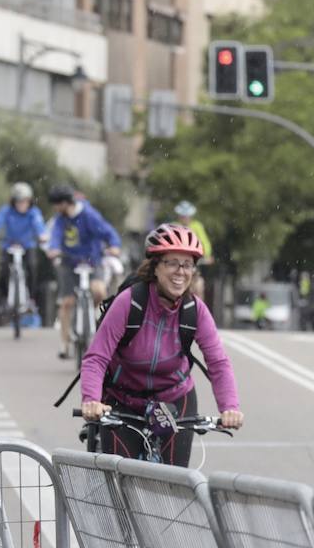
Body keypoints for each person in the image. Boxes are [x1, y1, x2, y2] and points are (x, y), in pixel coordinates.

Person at [80, 224, 243, 466]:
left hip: (174, 397)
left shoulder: (194, 310)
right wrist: (91, 400)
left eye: (187, 265)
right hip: (122, 397)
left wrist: (229, 407)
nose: (181, 271)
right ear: (155, 266)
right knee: (119, 478)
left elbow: (218, 362)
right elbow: (97, 357)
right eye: (172, 263)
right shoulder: (130, 302)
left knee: (174, 484)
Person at [46, 183, 121, 359]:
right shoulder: (60, 219)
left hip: (92, 262)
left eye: (57, 204)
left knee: (99, 291)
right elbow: (55, 235)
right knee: (66, 303)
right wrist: (53, 248)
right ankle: (65, 344)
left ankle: (90, 316)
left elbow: (108, 231)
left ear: (65, 202)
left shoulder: (89, 215)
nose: (55, 208)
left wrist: (114, 246)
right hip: (69, 264)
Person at [0, 181, 47, 322]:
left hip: (27, 246)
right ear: (13, 201)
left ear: (29, 201)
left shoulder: (34, 213)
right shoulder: (6, 211)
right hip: (9, 245)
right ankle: (3, 300)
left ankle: (31, 300)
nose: (22, 204)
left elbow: (40, 226)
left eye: (25, 201)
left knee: (32, 267)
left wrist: (43, 235)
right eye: (19, 201)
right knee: (2, 271)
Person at [172, 201, 215, 299]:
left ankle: (199, 310)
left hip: (192, 260)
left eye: (187, 216)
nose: (185, 219)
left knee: (199, 285)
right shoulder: (174, 225)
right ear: (179, 216)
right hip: (175, 259)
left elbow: (205, 242)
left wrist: (207, 256)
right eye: (182, 216)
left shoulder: (197, 226)